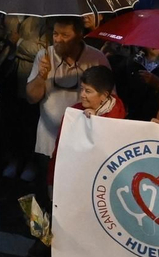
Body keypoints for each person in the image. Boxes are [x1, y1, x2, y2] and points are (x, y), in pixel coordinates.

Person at [25, 17, 108, 155]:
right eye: (55, 34)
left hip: (82, 142)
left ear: (79, 35)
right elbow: (31, 98)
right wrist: (40, 77)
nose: (58, 39)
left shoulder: (97, 58)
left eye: (65, 35)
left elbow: (109, 100)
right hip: (48, 141)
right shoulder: (44, 56)